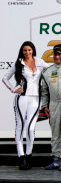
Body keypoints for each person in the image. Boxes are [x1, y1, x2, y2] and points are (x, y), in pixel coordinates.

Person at [2, 41, 47, 170]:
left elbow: (52, 70)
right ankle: (21, 157)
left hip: (36, 99)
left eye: (29, 50)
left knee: (31, 128)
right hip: (21, 98)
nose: (27, 52)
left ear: (33, 50)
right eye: (25, 50)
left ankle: (29, 155)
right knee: (20, 126)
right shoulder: (18, 63)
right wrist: (13, 89)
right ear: (22, 52)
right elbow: (5, 78)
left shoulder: (40, 62)